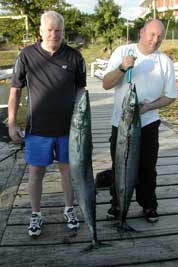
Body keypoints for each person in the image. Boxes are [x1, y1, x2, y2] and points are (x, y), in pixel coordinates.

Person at [8, 11, 86, 237]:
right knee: (35, 174)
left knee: (67, 172)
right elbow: (14, 92)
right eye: (49, 30)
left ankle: (69, 209)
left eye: (58, 30)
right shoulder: (26, 55)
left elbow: (81, 91)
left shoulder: (75, 57)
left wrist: (82, 124)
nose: (54, 34)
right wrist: (12, 124)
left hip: (68, 130)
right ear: (41, 31)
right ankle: (35, 214)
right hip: (38, 130)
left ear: (63, 31)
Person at [102, 19, 177, 223]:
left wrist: (148, 107)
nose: (155, 40)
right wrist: (122, 68)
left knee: (148, 167)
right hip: (121, 123)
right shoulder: (122, 52)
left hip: (148, 123)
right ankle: (117, 204)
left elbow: (171, 96)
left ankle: (149, 205)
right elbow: (106, 84)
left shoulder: (164, 61)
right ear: (142, 32)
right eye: (152, 34)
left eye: (160, 36)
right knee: (119, 165)